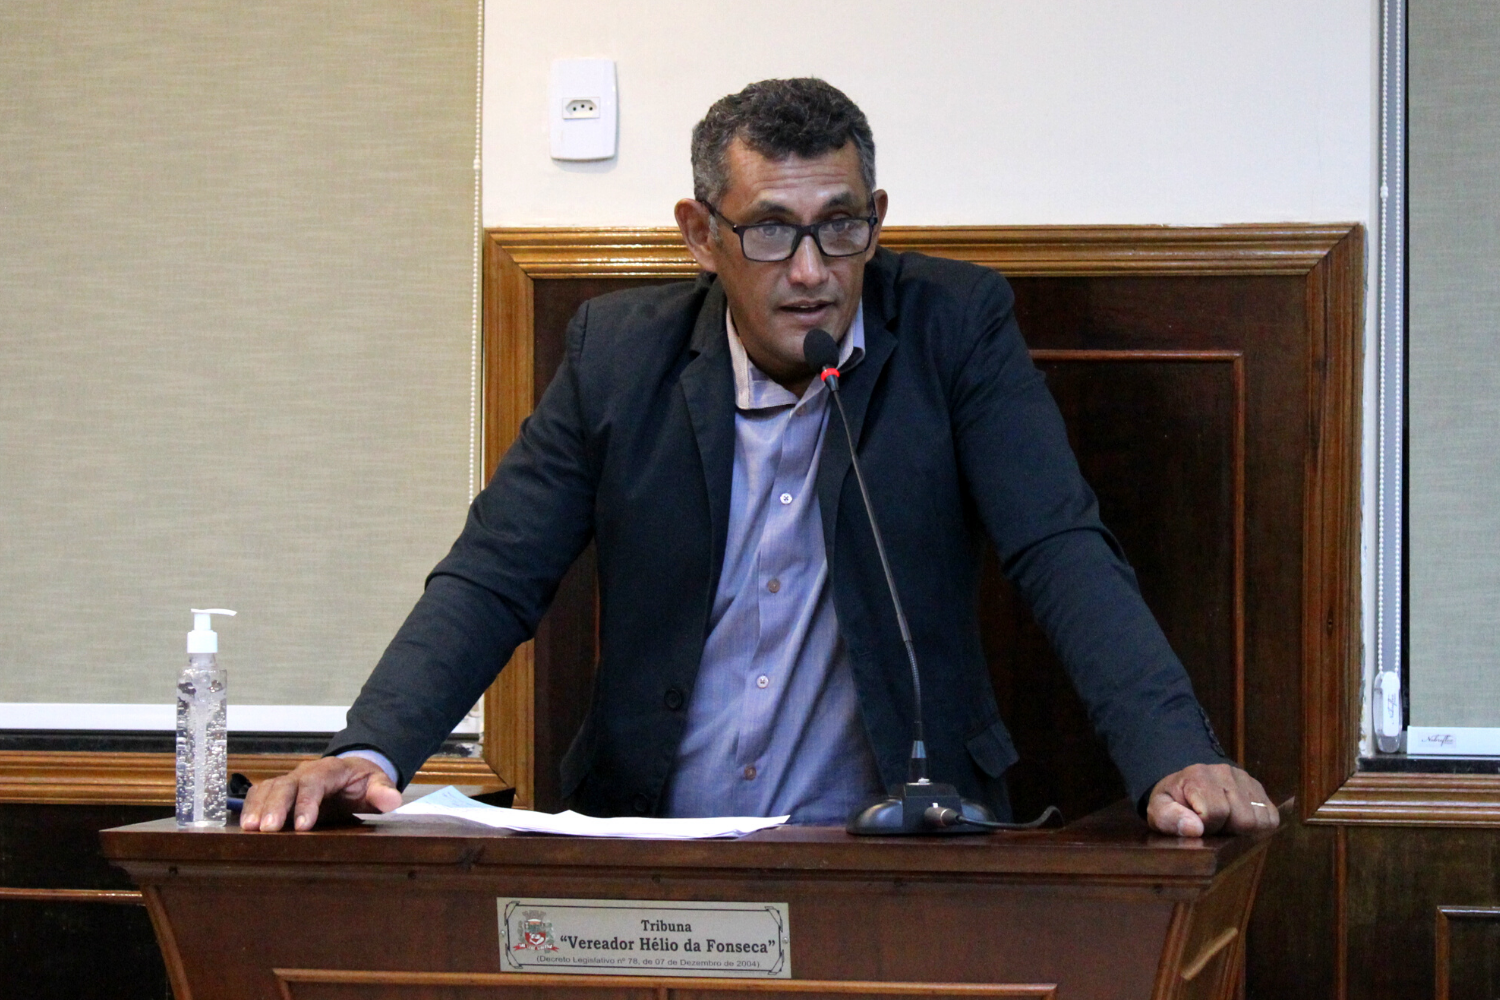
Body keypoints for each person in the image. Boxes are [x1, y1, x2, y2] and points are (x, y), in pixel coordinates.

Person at [243, 78, 1277, 838]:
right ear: (701, 235)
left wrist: (1174, 755)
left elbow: (1061, 547)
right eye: (773, 232)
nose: (814, 272)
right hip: (649, 842)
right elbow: (495, 570)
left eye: (841, 228)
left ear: (878, 220)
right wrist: (369, 747)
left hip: (889, 847)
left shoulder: (953, 328)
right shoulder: (618, 355)